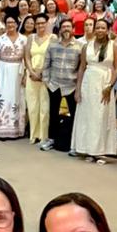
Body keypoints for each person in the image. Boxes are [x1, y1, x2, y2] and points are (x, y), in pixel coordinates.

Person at [71, 18, 117, 164]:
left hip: (104, 82)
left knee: (101, 117)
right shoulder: (87, 46)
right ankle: (87, 149)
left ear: (108, 30)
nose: (99, 30)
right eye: (97, 27)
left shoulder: (113, 45)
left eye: (103, 28)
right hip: (88, 82)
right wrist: (78, 89)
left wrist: (110, 86)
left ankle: (100, 151)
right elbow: (81, 68)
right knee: (87, 116)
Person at [42, 19, 82, 153]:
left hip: (70, 87)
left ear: (73, 29)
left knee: (70, 116)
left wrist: (78, 86)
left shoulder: (80, 46)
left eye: (68, 26)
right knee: (54, 114)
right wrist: (47, 81)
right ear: (60, 29)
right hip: (54, 86)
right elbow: (46, 64)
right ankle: (51, 139)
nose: (66, 29)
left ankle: (69, 143)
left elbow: (81, 67)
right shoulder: (52, 45)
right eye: (63, 27)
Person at [23, 15, 52, 144]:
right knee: (32, 106)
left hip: (45, 76)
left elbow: (52, 57)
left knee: (44, 107)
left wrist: (41, 72)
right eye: (38, 23)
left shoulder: (52, 38)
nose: (40, 26)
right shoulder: (31, 37)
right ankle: (33, 135)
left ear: (47, 24)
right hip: (32, 75)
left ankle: (43, 135)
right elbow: (27, 56)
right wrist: (31, 71)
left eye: (42, 23)